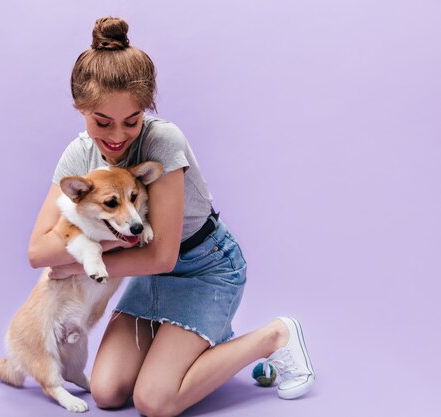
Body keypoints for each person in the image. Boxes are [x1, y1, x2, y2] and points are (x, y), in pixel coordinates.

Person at [27, 16, 315, 417]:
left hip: (205, 267)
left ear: (146, 110)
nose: (116, 136)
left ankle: (274, 336)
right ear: (81, 109)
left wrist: (79, 259)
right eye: (101, 122)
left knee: (154, 401)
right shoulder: (79, 155)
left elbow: (162, 254)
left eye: (131, 121)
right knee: (108, 392)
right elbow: (38, 252)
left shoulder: (162, 142)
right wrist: (78, 257)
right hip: (148, 278)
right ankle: (204, 343)